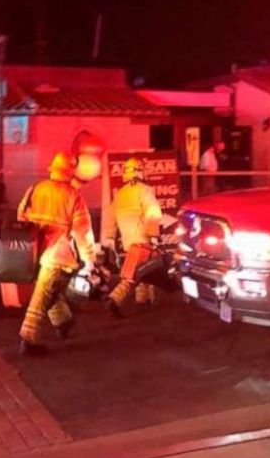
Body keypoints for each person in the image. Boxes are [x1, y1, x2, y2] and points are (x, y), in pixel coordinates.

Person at [16, 152, 95, 356]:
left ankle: (64, 321)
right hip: (57, 255)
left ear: (52, 169)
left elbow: (20, 217)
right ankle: (28, 340)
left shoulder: (35, 189)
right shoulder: (73, 196)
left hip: (32, 253)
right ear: (70, 172)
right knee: (43, 295)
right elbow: (82, 232)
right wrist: (89, 260)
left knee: (47, 289)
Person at [101, 157, 163, 317]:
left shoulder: (120, 194)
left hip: (128, 240)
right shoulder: (144, 190)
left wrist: (109, 238)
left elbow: (110, 217)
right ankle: (114, 299)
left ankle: (144, 299)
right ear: (139, 171)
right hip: (142, 239)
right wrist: (154, 237)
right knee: (133, 275)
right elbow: (153, 213)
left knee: (146, 270)